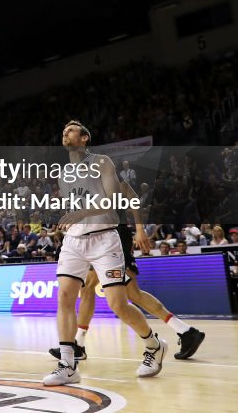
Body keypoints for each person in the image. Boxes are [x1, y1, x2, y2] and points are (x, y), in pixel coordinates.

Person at [44, 120, 166, 386]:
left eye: (72, 130)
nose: (65, 133)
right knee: (65, 296)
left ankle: (154, 344)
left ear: (85, 138)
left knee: (117, 304)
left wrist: (81, 213)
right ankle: (68, 364)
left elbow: (110, 199)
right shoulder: (63, 173)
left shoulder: (102, 162)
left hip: (104, 240)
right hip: (74, 241)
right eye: (63, 130)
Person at [48, 201, 205, 362]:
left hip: (110, 235)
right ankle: (185, 331)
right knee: (119, 291)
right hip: (94, 237)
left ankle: (79, 346)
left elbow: (132, 196)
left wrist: (139, 228)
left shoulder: (106, 177)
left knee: (113, 292)